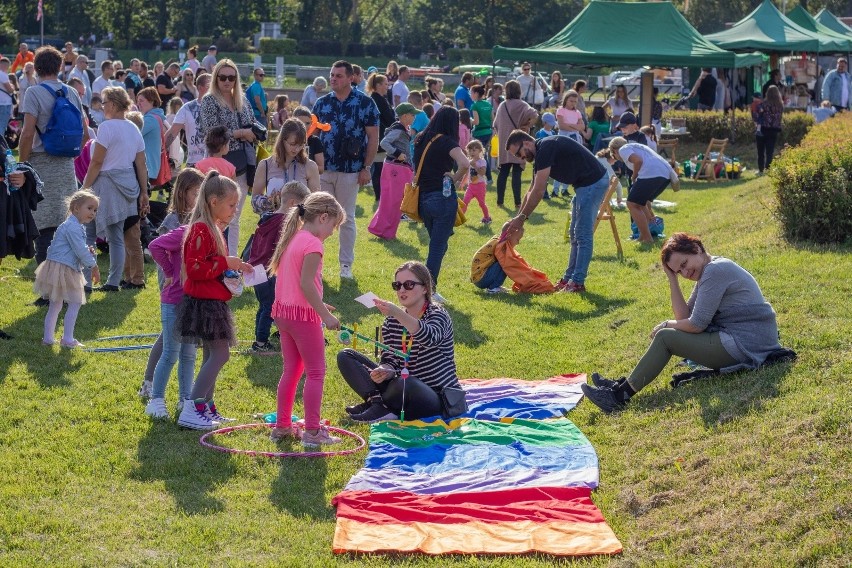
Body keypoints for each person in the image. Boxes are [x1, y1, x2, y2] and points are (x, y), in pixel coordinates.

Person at [581, 232, 784, 413]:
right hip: (745, 340)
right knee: (669, 334)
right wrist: (672, 280)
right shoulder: (708, 271)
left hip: (746, 343)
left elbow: (696, 325)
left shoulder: (715, 271)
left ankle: (619, 396)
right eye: (679, 271)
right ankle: (620, 386)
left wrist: (666, 324)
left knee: (665, 337)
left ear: (696, 249)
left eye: (684, 264)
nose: (685, 273)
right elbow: (684, 318)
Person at [175, 171, 254, 430]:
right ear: (213, 201)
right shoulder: (201, 228)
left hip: (212, 300)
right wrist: (224, 263)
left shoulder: (214, 229)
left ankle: (207, 408)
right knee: (220, 355)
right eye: (231, 205)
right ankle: (192, 407)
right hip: (204, 302)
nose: (234, 210)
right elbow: (195, 268)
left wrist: (233, 268)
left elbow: (211, 266)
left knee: (212, 353)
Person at [338, 260, 463, 422]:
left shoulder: (438, 314)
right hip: (401, 386)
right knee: (346, 356)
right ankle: (377, 403)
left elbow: (429, 338)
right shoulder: (391, 321)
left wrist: (397, 313)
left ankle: (382, 406)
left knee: (407, 382)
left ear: (425, 288)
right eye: (397, 285)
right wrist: (385, 370)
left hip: (437, 397)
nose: (402, 290)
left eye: (409, 285)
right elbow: (390, 360)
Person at [267, 191, 345, 446]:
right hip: (302, 316)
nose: (333, 232)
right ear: (323, 218)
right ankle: (312, 432)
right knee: (316, 372)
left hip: (283, 314)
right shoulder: (313, 244)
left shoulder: (294, 238)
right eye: (334, 225)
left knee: (292, 370)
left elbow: (297, 284)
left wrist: (320, 304)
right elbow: (306, 284)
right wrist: (324, 315)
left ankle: (282, 426)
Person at [504, 130, 609, 293]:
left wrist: (522, 218)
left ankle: (577, 282)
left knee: (582, 234)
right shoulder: (541, 151)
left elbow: (539, 191)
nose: (521, 158)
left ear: (526, 143)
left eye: (520, 154)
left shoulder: (546, 147)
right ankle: (569, 279)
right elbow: (531, 189)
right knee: (574, 234)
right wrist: (517, 218)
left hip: (593, 183)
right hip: (583, 185)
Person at [19, 46, 87, 273]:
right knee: (67, 222)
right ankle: (70, 280)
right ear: (60, 67)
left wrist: (22, 163)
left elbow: (28, 133)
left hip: (41, 164)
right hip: (66, 165)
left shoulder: (34, 92)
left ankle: (49, 288)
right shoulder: (72, 92)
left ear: (36, 67)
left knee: (44, 227)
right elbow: (84, 132)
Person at [143, 168, 203, 418]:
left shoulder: (200, 228)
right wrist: (168, 271)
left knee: (187, 353)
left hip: (192, 300)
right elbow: (156, 247)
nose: (199, 198)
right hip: (173, 295)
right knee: (170, 350)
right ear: (183, 192)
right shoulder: (180, 226)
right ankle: (154, 396)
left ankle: (185, 399)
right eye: (196, 193)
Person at [311, 60, 379, 279]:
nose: (333, 79)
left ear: (351, 78)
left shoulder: (365, 103)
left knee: (347, 218)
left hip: (351, 170)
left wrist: (367, 167)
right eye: (331, 75)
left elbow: (373, 137)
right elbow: (311, 136)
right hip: (323, 169)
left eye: (338, 76)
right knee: (318, 217)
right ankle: (315, 264)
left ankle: (345, 266)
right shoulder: (321, 103)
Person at [81, 86, 149, 291]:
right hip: (129, 184)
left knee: (89, 234)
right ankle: (112, 281)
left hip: (107, 185)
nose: (102, 108)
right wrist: (144, 192)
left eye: (103, 104)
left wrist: (84, 188)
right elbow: (141, 164)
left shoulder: (107, 127)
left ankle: (86, 281)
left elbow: (96, 162)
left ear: (111, 104)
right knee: (117, 236)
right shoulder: (133, 128)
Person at [198, 59, 257, 255]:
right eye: (222, 77)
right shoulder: (209, 100)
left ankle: (230, 258)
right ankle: (213, 254)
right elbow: (211, 131)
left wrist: (255, 132)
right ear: (216, 78)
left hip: (242, 163)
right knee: (214, 215)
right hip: (218, 164)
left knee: (235, 215)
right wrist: (240, 133)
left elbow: (252, 123)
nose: (227, 81)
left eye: (231, 77)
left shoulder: (243, 100)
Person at [244, 181, 311, 354]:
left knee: (264, 306)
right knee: (270, 307)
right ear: (292, 204)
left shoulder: (268, 217)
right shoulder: (284, 223)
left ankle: (262, 337)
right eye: (302, 208)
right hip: (268, 272)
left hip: (255, 270)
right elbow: (284, 251)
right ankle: (260, 343)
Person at [412, 106, 469, 299]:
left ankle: (424, 285)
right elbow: (465, 164)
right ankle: (427, 290)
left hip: (423, 198)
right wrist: (455, 178)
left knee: (439, 244)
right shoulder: (447, 141)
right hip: (442, 198)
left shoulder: (421, 138)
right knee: (438, 245)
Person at [33, 190, 100, 347]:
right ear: (76, 208)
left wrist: (85, 251)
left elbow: (74, 248)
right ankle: (67, 339)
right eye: (89, 208)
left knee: (56, 304)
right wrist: (93, 265)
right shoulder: (73, 227)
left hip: (58, 267)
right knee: (75, 302)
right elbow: (79, 249)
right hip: (64, 269)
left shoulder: (72, 225)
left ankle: (48, 339)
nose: (93, 213)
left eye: (95, 210)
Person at [608, 136, 678, 244]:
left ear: (614, 150)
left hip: (652, 174)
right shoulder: (637, 146)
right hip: (665, 175)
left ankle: (647, 238)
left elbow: (638, 161)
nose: (617, 158)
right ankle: (644, 234)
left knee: (632, 204)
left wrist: (634, 176)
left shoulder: (623, 149)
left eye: (614, 156)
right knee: (642, 203)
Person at [250, 118, 320, 215]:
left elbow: (316, 203)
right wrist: (271, 202)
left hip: (299, 225)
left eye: (301, 145)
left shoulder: (310, 166)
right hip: (272, 223)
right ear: (282, 140)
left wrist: (300, 204)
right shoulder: (265, 165)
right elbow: (254, 202)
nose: (296, 149)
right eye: (292, 144)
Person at [368, 102, 416, 240]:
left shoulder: (403, 128)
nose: (414, 117)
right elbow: (384, 143)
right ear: (405, 116)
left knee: (392, 201)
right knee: (394, 202)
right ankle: (386, 232)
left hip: (398, 168)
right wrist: (397, 153)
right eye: (413, 115)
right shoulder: (398, 129)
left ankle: (382, 229)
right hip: (396, 168)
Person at [470, 221, 554, 294]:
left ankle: (494, 286)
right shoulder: (500, 245)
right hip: (481, 279)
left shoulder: (499, 241)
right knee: (505, 262)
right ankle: (493, 288)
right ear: (509, 235)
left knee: (505, 261)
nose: (518, 243)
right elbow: (508, 263)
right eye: (517, 239)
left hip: (479, 278)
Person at [492, 80, 538, 208]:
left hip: (505, 143)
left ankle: (499, 201)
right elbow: (535, 114)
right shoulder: (522, 104)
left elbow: (495, 125)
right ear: (519, 91)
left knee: (503, 173)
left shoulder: (502, 105)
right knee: (517, 174)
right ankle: (518, 203)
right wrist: (527, 126)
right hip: (519, 143)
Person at [165, 72, 211, 169]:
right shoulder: (187, 108)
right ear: (199, 87)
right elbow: (173, 131)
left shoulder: (220, 106)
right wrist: (161, 150)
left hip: (214, 162)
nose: (214, 88)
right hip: (194, 162)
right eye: (210, 85)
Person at [367, 72, 396, 201]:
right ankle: (380, 196)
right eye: (385, 84)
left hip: (381, 137)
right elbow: (390, 118)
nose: (387, 87)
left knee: (380, 168)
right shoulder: (377, 99)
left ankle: (381, 195)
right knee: (378, 169)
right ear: (378, 85)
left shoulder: (378, 98)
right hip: (379, 139)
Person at [754, 85, 783, 175]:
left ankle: (761, 170)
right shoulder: (780, 105)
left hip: (762, 129)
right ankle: (768, 168)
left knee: (761, 151)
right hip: (774, 130)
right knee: (770, 151)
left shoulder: (763, 104)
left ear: (767, 94)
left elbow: (757, 116)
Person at [461, 139, 490, 224]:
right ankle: (461, 218)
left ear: (480, 150)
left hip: (480, 186)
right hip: (471, 186)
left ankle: (487, 217)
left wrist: (475, 166)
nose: (472, 152)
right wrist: (463, 183)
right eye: (470, 150)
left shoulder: (482, 161)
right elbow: (468, 174)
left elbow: (483, 173)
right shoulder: (469, 162)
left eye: (474, 150)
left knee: (481, 203)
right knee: (464, 202)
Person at [292, 106, 328, 173]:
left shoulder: (315, 141)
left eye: (307, 123)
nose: (304, 126)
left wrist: (305, 166)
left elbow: (321, 169)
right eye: (300, 122)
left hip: (308, 180)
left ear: (311, 123)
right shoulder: (287, 139)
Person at [470, 85, 493, 183]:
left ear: (475, 93)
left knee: (479, 155)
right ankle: (487, 177)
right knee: (484, 155)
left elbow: (476, 122)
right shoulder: (488, 104)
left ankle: (487, 177)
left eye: (471, 93)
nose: (470, 95)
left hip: (479, 133)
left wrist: (468, 119)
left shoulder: (475, 105)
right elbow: (492, 118)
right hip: (488, 132)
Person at [0, 58, 13, 136]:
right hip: (4, 103)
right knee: (2, 125)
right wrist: (13, 87)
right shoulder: (3, 74)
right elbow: (10, 90)